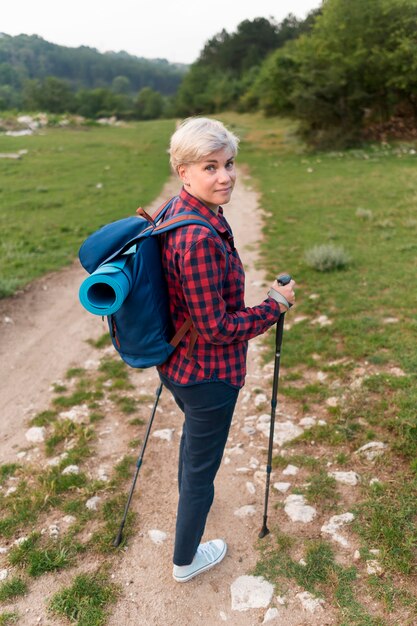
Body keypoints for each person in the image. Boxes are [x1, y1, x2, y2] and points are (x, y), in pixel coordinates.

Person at [157, 117, 295, 583]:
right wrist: (273, 307)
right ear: (184, 172)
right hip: (207, 375)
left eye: (229, 163)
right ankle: (185, 560)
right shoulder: (197, 237)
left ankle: (190, 505)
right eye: (210, 166)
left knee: (195, 453)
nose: (225, 176)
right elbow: (215, 328)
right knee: (200, 468)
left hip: (177, 366)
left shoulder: (180, 211)